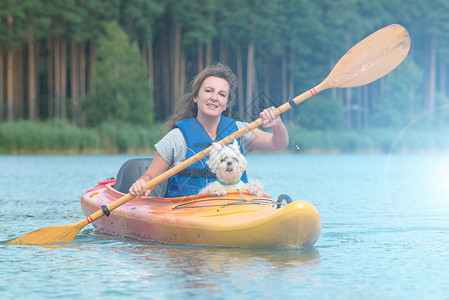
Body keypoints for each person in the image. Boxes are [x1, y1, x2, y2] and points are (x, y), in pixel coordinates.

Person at [129, 63, 289, 198]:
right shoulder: (177, 138)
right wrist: (141, 184)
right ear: (196, 97)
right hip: (190, 211)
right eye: (208, 91)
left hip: (235, 208)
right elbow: (149, 177)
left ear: (226, 104)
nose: (214, 97)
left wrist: (277, 124)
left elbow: (278, 143)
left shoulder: (240, 131)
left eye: (221, 94)